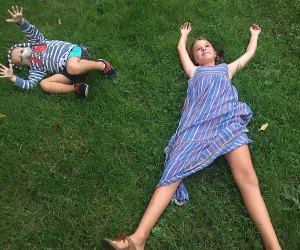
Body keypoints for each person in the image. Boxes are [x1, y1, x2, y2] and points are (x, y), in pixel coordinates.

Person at [102, 22, 281, 250]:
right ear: (195, 59)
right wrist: (183, 36)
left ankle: (273, 246)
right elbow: (180, 51)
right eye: (198, 49)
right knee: (172, 170)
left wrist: (254, 35)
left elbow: (249, 54)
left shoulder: (226, 69)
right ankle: (138, 239)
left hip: (227, 120)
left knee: (248, 179)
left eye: (207, 46)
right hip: (195, 127)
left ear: (216, 54)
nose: (203, 49)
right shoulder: (194, 71)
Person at [0, 6, 117, 97]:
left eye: (21, 51)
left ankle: (101, 65)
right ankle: (76, 88)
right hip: (66, 72)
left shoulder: (38, 42)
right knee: (44, 84)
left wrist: (20, 21)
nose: (23, 54)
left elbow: (30, 31)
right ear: (23, 65)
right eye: (20, 59)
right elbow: (29, 84)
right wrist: (12, 77)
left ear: (24, 46)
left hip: (73, 53)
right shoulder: (36, 69)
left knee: (72, 67)